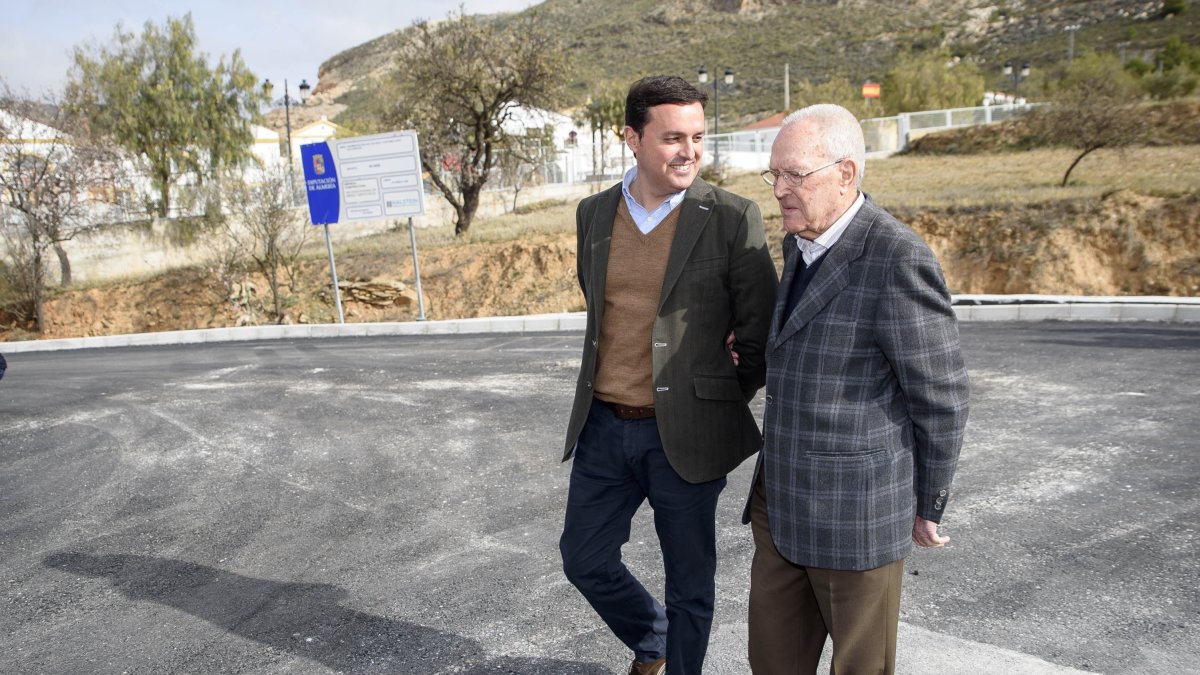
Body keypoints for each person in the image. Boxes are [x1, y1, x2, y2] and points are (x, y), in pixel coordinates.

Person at [560, 75, 777, 675]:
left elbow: (758, 332)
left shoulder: (732, 218)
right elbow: (603, 311)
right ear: (630, 137)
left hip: (686, 434)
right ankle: (651, 638)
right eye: (672, 137)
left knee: (691, 584)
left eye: (699, 137)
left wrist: (716, 397)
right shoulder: (593, 214)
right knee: (583, 558)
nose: (689, 152)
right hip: (604, 427)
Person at [744, 104, 970, 674]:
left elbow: (940, 396)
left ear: (845, 174)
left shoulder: (898, 258)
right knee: (770, 662)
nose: (780, 191)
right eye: (775, 175)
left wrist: (928, 502)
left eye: (796, 175)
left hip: (856, 516)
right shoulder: (799, 243)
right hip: (781, 505)